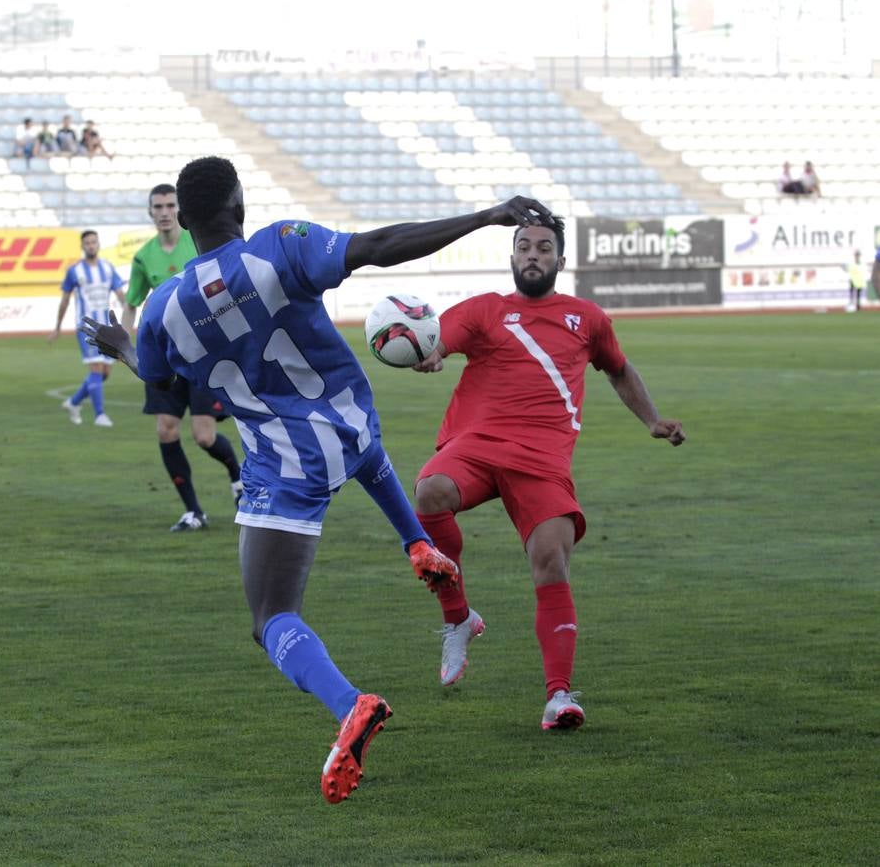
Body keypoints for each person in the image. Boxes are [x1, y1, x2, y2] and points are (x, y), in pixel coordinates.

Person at [82, 156, 549, 804]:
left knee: (271, 615)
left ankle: (351, 704)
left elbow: (161, 380)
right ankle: (417, 541)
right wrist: (486, 216)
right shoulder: (279, 246)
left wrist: (119, 346)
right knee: (356, 440)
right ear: (239, 208)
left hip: (287, 461)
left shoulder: (164, 309)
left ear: (182, 222)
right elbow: (381, 248)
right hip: (354, 425)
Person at [410, 216, 686, 733]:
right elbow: (437, 343)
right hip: (477, 444)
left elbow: (619, 369)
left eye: (543, 248)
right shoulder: (483, 310)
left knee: (551, 560)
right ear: (512, 258)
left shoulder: (587, 318)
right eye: (523, 247)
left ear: (560, 261)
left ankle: (558, 696)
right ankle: (458, 617)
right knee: (430, 492)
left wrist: (652, 420)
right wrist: (427, 357)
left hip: (542, 459)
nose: (532, 254)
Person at [123, 183, 242, 532]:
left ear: (179, 210)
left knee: (203, 436)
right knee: (166, 430)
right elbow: (132, 303)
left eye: (168, 205)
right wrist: (128, 343)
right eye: (156, 206)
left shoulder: (198, 243)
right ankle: (193, 512)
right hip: (162, 355)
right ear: (150, 211)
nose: (162, 211)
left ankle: (237, 477)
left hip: (202, 355)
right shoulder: (144, 257)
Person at [50, 230, 127, 427]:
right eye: (87, 243)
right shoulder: (74, 271)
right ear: (82, 246)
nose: (91, 246)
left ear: (98, 244)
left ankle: (74, 402)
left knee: (105, 373)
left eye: (94, 242)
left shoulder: (108, 269)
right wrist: (57, 327)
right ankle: (99, 415)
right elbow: (65, 300)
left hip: (106, 327)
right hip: (86, 327)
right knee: (96, 368)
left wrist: (127, 318)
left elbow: (120, 295)